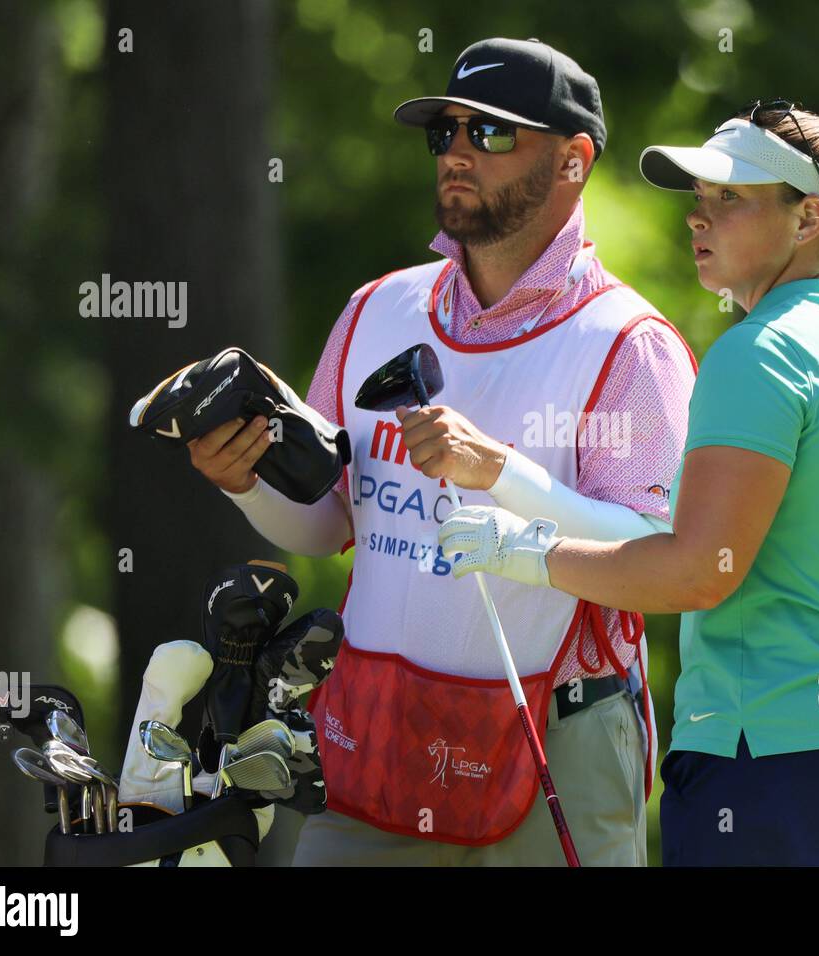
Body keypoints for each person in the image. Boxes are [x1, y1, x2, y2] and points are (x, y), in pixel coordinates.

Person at [439, 100, 819, 865]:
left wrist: (526, 552)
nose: (700, 219)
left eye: (729, 199)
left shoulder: (762, 352)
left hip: (777, 776)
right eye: (701, 201)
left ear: (807, 219)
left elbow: (699, 572)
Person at [187, 37, 696, 866]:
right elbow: (329, 521)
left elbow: (658, 556)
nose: (457, 152)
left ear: (574, 159)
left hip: (554, 734)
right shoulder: (374, 309)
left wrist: (501, 472)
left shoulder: (631, 344)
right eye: (445, 132)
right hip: (377, 721)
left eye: (491, 133)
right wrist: (243, 480)